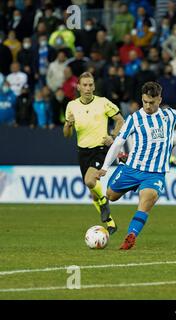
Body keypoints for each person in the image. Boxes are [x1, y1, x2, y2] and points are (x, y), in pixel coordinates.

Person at [96, 81, 176, 250]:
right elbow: (119, 142)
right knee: (110, 195)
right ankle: (123, 164)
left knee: (146, 200)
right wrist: (105, 167)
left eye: (152, 102)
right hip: (131, 169)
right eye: (145, 102)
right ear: (142, 99)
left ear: (159, 100)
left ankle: (131, 236)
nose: (148, 106)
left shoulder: (168, 116)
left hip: (155, 174)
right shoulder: (134, 119)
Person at [63, 72, 125, 235]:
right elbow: (67, 135)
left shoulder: (103, 103)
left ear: (94, 86)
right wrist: (68, 125)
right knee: (93, 192)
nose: (88, 88)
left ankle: (104, 202)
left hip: (100, 149)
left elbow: (120, 120)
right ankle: (110, 223)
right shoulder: (72, 106)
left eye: (91, 85)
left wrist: (112, 136)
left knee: (90, 181)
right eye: (85, 85)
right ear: (78, 87)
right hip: (83, 151)